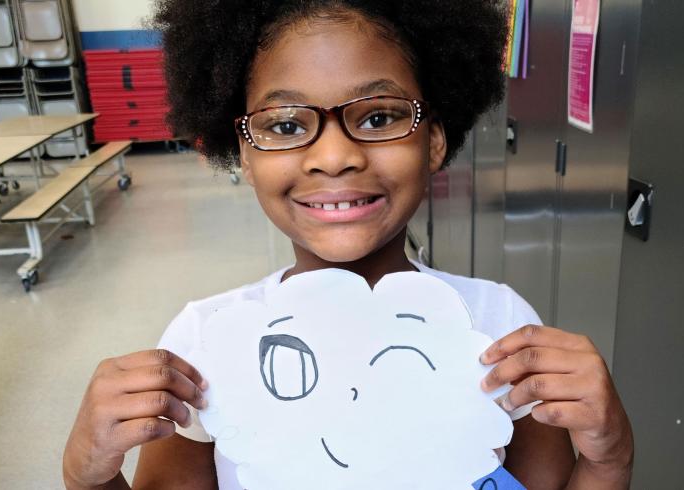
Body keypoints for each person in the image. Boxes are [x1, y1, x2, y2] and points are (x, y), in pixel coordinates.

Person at [63, 1, 634, 488]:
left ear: (434, 140)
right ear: (243, 152)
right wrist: (88, 476)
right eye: (285, 125)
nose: (334, 157)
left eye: (380, 116)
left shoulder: (500, 328)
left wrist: (609, 459)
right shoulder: (203, 343)